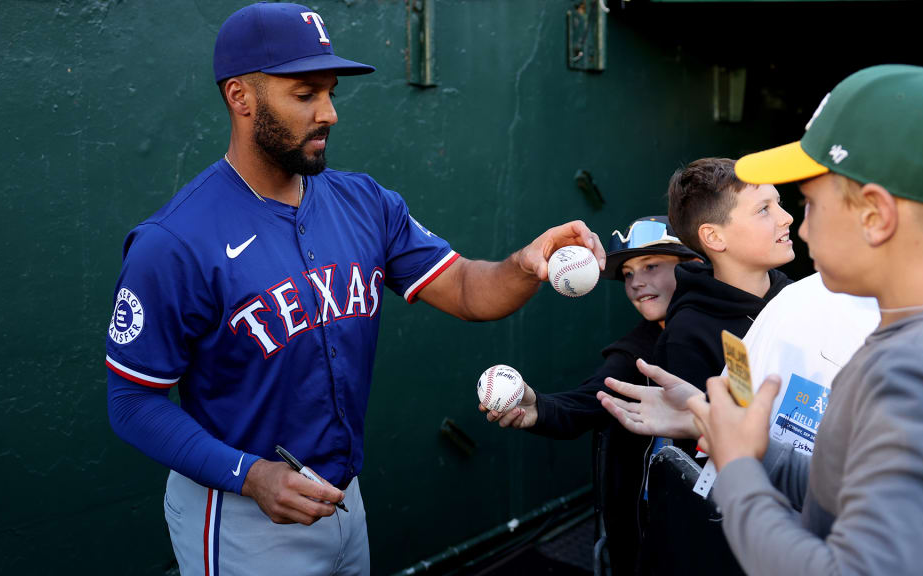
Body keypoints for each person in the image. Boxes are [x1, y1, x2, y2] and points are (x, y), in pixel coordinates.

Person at [104, 4, 605, 575]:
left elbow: (467, 288)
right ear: (240, 97)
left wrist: (523, 264)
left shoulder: (365, 202)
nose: (329, 113)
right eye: (304, 93)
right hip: (243, 511)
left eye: (331, 92)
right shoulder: (174, 241)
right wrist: (250, 474)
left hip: (344, 498)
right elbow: (132, 403)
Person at [609, 63, 923, 575]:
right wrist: (740, 441)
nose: (798, 228)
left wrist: (736, 472)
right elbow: (850, 490)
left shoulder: (912, 372)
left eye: (810, 203)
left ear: (876, 216)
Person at [480, 216, 699, 575]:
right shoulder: (634, 351)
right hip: (653, 521)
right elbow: (591, 399)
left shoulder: (739, 329)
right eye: (627, 273)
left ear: (691, 265)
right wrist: (541, 407)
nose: (636, 282)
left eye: (651, 266)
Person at [655, 157, 794, 392]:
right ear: (714, 237)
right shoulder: (687, 335)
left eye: (779, 203)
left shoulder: (800, 299)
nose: (786, 217)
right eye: (763, 210)